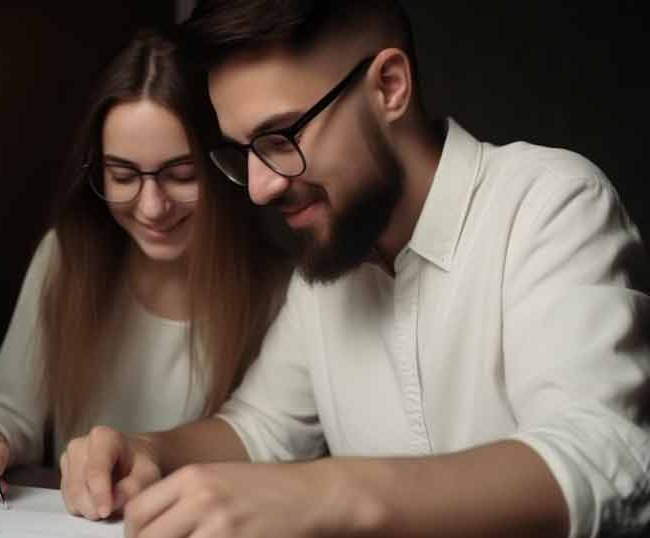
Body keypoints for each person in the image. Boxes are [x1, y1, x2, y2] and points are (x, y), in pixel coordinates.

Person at [59, 2, 650, 537]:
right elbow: (260, 429)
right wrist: (148, 451)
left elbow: (606, 457)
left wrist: (328, 491)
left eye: (279, 136)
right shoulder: (326, 269)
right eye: (242, 151)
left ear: (389, 87)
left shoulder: (549, 202)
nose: (260, 188)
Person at [0, 27, 291, 502]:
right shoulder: (67, 258)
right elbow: (13, 411)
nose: (152, 207)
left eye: (181, 175)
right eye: (123, 175)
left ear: (226, 167)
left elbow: (270, 441)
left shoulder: (283, 291)